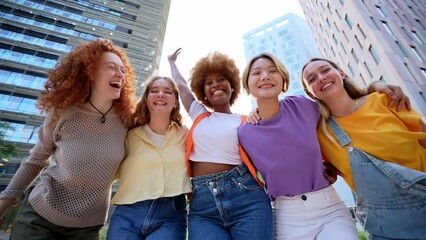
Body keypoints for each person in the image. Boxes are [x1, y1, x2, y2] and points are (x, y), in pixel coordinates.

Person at [238, 52, 410, 240]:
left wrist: (374, 87)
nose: (265, 76)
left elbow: (342, 102)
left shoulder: (304, 106)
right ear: (247, 84)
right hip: (286, 217)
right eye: (256, 73)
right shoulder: (244, 134)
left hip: (329, 209)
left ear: (283, 79)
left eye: (273, 71)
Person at [0, 39, 136, 240]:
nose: (120, 75)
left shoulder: (128, 121)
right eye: (111, 68)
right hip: (40, 218)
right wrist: (4, 202)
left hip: (87, 229)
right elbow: (36, 160)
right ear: (90, 72)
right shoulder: (63, 113)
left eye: (122, 70)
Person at [300, 57, 426, 240]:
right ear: (311, 94)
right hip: (389, 230)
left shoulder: (385, 99)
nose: (320, 78)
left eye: (325, 70)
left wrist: (374, 85)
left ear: (341, 73)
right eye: (311, 79)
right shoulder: (320, 135)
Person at [168, 48, 273, 240]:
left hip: (247, 198)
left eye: (221, 80)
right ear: (204, 93)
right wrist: (171, 63)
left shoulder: (247, 121)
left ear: (232, 86)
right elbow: (182, 86)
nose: (215, 85)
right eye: (209, 82)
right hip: (203, 206)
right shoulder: (199, 114)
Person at [106, 76, 191, 240]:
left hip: (170, 216)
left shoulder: (186, 135)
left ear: (175, 102)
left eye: (167, 91)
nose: (160, 94)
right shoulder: (127, 136)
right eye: (154, 91)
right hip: (127, 215)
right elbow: (107, 170)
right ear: (146, 99)